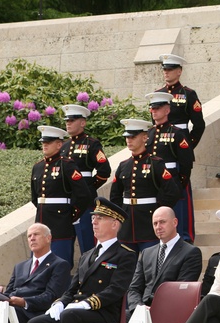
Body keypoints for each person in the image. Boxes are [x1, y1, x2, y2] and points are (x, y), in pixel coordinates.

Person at [26, 198, 137, 323]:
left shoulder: (125, 255)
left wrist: (88, 303)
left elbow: (116, 289)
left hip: (104, 311)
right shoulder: (87, 255)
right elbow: (73, 287)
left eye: (100, 218)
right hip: (77, 310)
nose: (94, 222)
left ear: (114, 224)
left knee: (70, 316)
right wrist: (60, 302)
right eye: (93, 218)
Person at [124, 206, 203, 323]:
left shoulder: (190, 252)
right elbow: (134, 287)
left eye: (162, 222)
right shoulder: (147, 253)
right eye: (155, 223)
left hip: (172, 309)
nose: (158, 227)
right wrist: (137, 307)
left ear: (175, 223)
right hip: (145, 309)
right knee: (119, 322)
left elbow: (181, 289)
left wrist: (156, 307)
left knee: (145, 322)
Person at [110, 118, 181, 252]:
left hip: (148, 223)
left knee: (149, 265)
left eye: (133, 136)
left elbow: (172, 192)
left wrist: (158, 211)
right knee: (127, 266)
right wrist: (120, 216)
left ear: (144, 137)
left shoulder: (156, 164)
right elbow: (115, 195)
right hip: (127, 226)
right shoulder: (124, 165)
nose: (129, 140)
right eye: (127, 137)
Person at [31, 125, 95, 268]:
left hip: (61, 224)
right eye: (43, 142)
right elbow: (35, 198)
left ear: (59, 144)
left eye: (49, 142)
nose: (45, 145)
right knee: (38, 267)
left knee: (61, 266)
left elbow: (83, 195)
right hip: (42, 220)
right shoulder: (38, 167)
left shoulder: (67, 165)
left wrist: (71, 215)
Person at [61, 104, 111, 253]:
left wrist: (88, 188)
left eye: (72, 120)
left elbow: (104, 171)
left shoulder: (91, 144)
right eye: (67, 120)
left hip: (84, 202)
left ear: (82, 123)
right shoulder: (63, 146)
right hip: (67, 201)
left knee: (88, 244)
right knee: (65, 245)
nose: (68, 123)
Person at [146, 91, 195, 240]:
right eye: (152, 108)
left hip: (173, 181)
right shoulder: (148, 133)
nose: (154, 111)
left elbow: (186, 163)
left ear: (167, 110)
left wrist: (179, 184)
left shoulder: (177, 133)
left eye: (158, 108)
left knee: (177, 223)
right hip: (155, 184)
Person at [157, 53, 206, 149]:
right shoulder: (158, 94)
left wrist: (189, 144)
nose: (166, 72)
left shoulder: (188, 94)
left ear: (179, 71)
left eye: (170, 69)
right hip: (162, 144)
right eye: (164, 69)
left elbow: (199, 124)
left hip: (181, 141)